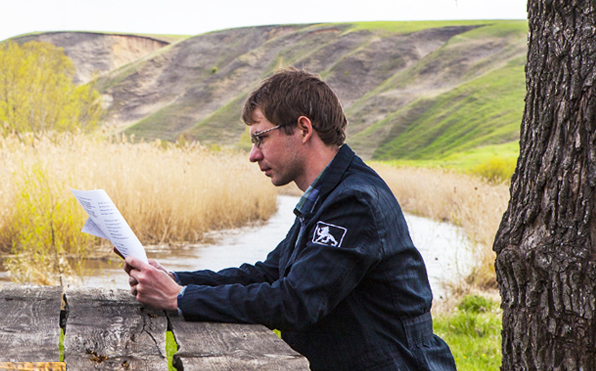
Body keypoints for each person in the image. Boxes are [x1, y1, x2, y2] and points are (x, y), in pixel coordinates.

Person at [123, 68, 457, 371]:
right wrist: (175, 278)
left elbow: (296, 302)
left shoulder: (354, 201)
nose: (253, 154)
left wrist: (178, 298)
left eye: (260, 138)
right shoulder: (331, 193)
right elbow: (269, 274)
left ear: (302, 128)